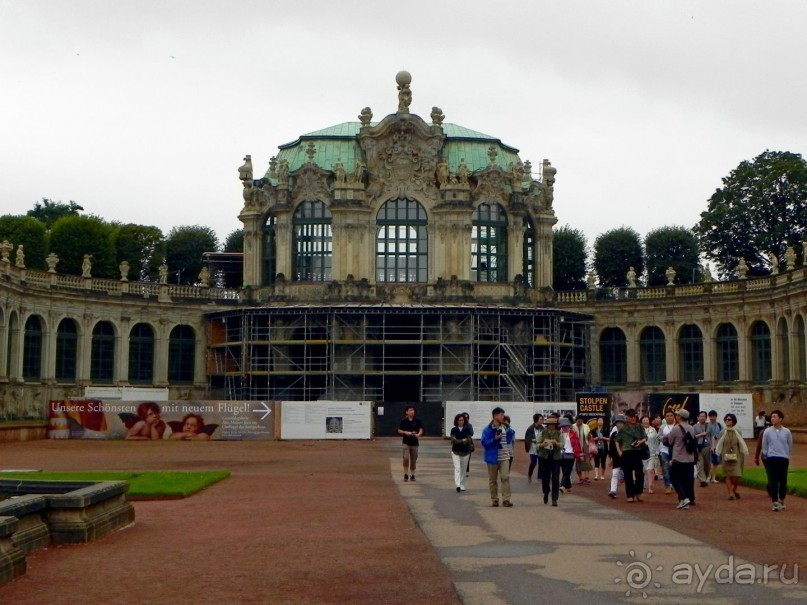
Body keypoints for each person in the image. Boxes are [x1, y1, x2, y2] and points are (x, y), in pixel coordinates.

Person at [757, 410, 793, 512]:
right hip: (771, 458)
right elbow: (764, 445)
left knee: (783, 481)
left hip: (783, 458)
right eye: (772, 417)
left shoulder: (787, 432)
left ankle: (781, 499)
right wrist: (766, 455)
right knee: (773, 481)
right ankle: (774, 501)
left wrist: (786, 454)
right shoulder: (767, 432)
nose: (772, 418)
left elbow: (790, 445)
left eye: (775, 417)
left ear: (780, 419)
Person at [664, 409, 697, 510]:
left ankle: (684, 498)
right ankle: (684, 501)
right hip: (690, 459)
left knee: (674, 479)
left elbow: (669, 441)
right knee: (686, 480)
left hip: (678, 458)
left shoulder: (676, 428)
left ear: (679, 417)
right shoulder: (691, 428)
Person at [481, 407, 513, 507]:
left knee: (505, 477)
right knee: (493, 480)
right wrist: (494, 440)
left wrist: (509, 431)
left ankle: (506, 499)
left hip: (504, 457)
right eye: (501, 415)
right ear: (495, 416)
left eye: (503, 415)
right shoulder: (487, 429)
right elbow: (484, 442)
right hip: (492, 458)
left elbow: (510, 436)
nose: (503, 417)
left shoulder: (506, 427)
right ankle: (494, 499)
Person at [614, 409, 647, 502]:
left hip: (637, 452)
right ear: (627, 417)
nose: (633, 418)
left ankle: (638, 492)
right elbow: (616, 440)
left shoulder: (639, 426)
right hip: (627, 452)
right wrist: (619, 451)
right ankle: (630, 495)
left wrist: (641, 441)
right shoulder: (623, 429)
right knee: (628, 475)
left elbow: (645, 437)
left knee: (640, 474)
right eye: (631, 416)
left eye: (634, 416)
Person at [715, 413, 748, 500]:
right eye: (726, 419)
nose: (727, 421)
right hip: (725, 455)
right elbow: (719, 444)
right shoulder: (722, 431)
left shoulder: (737, 431)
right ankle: (730, 494)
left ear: (733, 421)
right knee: (727, 475)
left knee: (737, 475)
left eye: (729, 419)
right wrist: (718, 454)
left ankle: (733, 489)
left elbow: (741, 443)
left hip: (736, 455)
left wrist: (742, 454)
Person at [538, 415, 562, 506]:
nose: (551, 426)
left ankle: (554, 498)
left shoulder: (559, 434)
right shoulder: (542, 433)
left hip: (555, 458)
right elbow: (537, 444)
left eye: (553, 424)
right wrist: (542, 445)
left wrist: (557, 443)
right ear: (547, 425)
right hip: (545, 458)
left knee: (555, 478)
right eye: (550, 424)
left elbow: (562, 444)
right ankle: (546, 492)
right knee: (545, 478)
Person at [397, 406, 423, 482]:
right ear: (406, 412)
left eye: (413, 410)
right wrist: (405, 432)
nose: (412, 412)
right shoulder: (403, 421)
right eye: (410, 410)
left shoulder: (417, 421)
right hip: (406, 442)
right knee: (405, 458)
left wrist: (418, 434)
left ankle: (412, 474)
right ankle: (405, 474)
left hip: (414, 443)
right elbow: (399, 430)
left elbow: (421, 429)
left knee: (413, 460)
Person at [449, 413, 473, 492]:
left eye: (462, 420)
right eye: (459, 420)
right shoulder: (454, 429)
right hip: (455, 451)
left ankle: (462, 483)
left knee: (463, 469)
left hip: (465, 452)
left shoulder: (467, 429)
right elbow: (453, 440)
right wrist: (462, 440)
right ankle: (457, 485)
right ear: (456, 421)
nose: (461, 422)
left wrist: (458, 441)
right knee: (457, 468)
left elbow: (469, 440)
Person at [558, 417, 581, 493]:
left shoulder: (573, 433)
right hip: (561, 454)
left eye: (566, 426)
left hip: (571, 454)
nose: (564, 428)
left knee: (567, 471)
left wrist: (578, 454)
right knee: (564, 471)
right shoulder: (559, 434)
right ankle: (568, 486)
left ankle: (562, 485)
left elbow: (577, 444)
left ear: (569, 426)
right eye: (563, 426)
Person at [607, 415, 625, 498]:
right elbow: (611, 447)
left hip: (626, 456)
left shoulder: (627, 433)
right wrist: (610, 458)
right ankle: (613, 490)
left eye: (621, 423)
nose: (619, 424)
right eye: (618, 423)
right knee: (615, 474)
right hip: (616, 457)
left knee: (628, 474)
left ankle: (630, 491)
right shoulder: (614, 434)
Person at [658, 411, 676, 495]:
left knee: (675, 469)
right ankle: (667, 486)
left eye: (671, 415)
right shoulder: (662, 427)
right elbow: (659, 437)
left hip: (675, 451)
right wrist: (666, 437)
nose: (669, 417)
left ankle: (675, 484)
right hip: (664, 450)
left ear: (674, 416)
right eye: (667, 416)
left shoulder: (677, 426)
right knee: (665, 469)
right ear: (665, 417)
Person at [524, 413, 545, 484]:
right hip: (533, 448)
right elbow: (527, 439)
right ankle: (530, 474)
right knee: (533, 462)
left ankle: (540, 477)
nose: (542, 421)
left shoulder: (542, 428)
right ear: (536, 420)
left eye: (542, 419)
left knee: (541, 463)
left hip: (541, 447)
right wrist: (535, 440)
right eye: (541, 419)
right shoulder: (530, 429)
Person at [693, 411, 712, 487]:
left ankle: (706, 477)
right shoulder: (694, 426)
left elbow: (712, 436)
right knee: (700, 464)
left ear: (706, 417)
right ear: (697, 417)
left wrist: (713, 446)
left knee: (707, 464)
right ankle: (702, 480)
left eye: (703, 416)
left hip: (707, 447)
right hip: (698, 447)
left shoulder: (709, 426)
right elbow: (693, 437)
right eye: (700, 416)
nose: (702, 418)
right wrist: (701, 435)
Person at [641, 415, 659, 494]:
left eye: (647, 420)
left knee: (650, 469)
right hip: (642, 453)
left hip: (652, 452)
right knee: (644, 470)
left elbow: (656, 441)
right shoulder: (639, 430)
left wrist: (657, 452)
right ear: (642, 421)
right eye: (644, 420)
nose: (645, 421)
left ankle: (650, 486)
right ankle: (643, 483)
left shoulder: (653, 430)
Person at [706, 410, 724, 484]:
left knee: (715, 463)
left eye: (713, 416)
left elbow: (722, 434)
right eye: (710, 416)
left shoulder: (720, 425)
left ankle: (712, 477)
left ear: (716, 416)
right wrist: (711, 445)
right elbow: (708, 436)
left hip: (718, 446)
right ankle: (709, 477)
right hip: (710, 447)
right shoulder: (708, 425)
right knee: (712, 463)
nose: (712, 418)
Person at [573, 416, 592, 484]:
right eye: (579, 421)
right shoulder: (573, 426)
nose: (580, 422)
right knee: (578, 462)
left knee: (587, 461)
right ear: (576, 420)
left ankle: (587, 477)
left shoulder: (586, 426)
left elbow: (589, 435)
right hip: (576, 446)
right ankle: (580, 478)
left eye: (581, 421)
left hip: (585, 445)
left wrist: (589, 436)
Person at [463, 412, 474, 477]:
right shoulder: (459, 425)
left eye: (467, 418)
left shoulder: (469, 425)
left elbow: (472, 433)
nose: (466, 419)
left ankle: (466, 471)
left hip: (468, 443)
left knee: (467, 458)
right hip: (461, 443)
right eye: (465, 418)